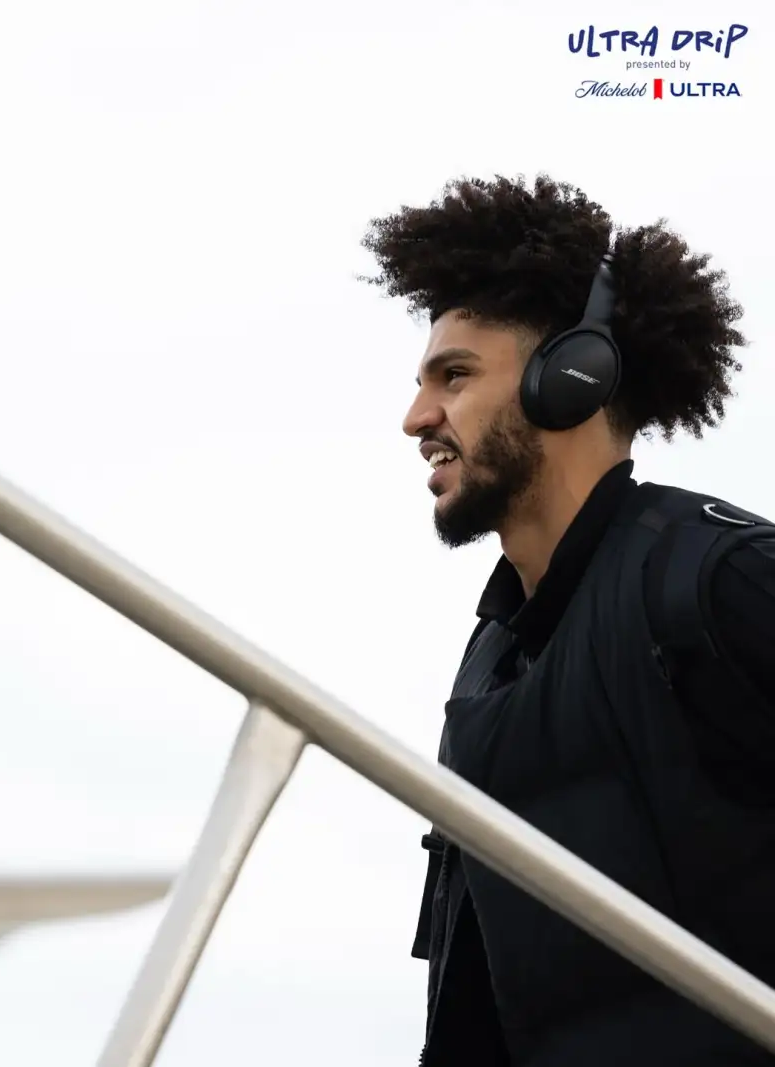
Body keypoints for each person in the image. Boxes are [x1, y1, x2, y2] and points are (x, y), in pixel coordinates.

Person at [359, 175, 775, 1066]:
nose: (416, 417)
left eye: (455, 375)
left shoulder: (723, 582)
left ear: (571, 377)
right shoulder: (487, 668)